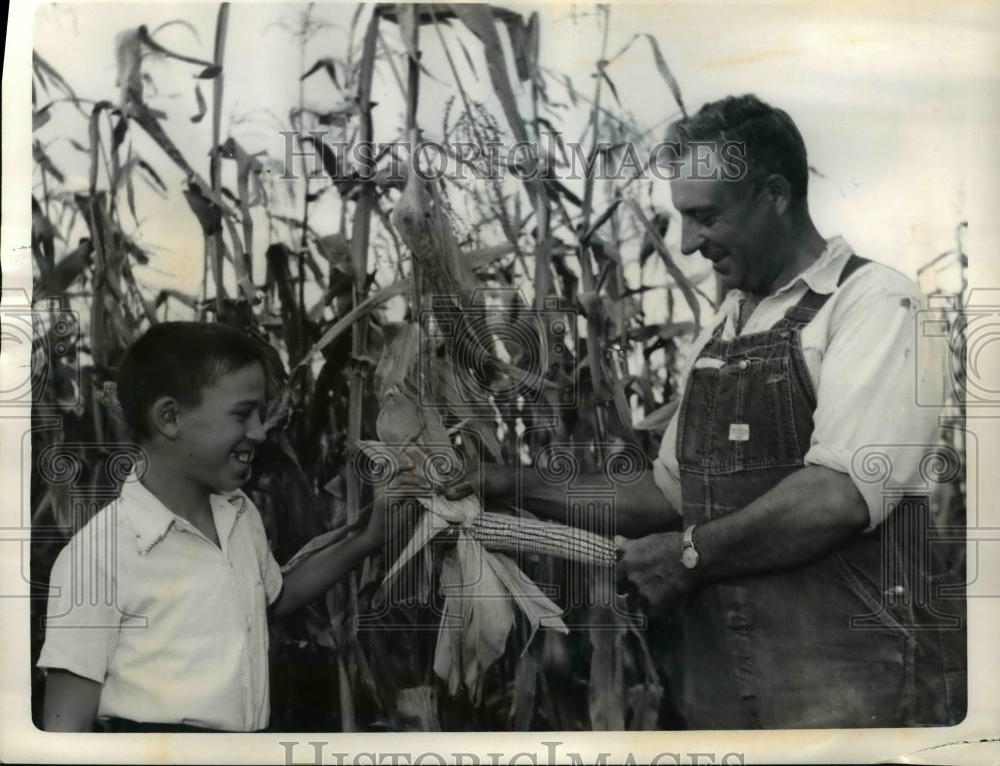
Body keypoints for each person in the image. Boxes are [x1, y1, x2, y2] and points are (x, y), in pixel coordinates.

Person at [474, 95, 965, 729]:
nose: (685, 243)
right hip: (722, 697)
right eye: (680, 218)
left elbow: (840, 494)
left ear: (775, 195)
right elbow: (665, 494)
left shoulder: (873, 304)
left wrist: (687, 557)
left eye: (704, 217)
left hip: (851, 698)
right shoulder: (726, 328)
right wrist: (505, 484)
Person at [38, 322, 390, 732]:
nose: (259, 432)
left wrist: (369, 538)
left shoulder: (240, 514)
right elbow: (64, 731)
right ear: (170, 417)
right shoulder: (96, 558)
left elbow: (270, 597)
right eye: (243, 414)